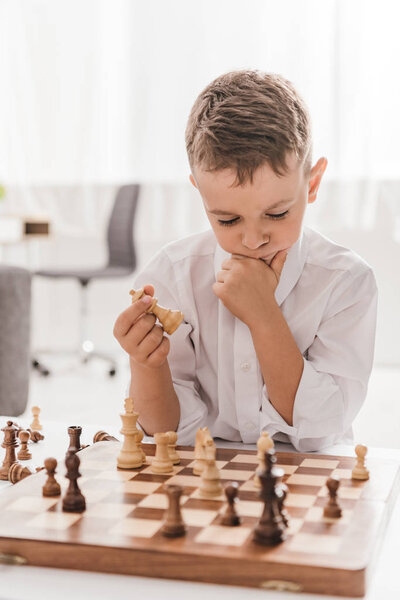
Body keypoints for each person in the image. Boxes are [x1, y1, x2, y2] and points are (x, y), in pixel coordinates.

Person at [113, 70, 377, 452]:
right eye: (228, 220)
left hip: (305, 484)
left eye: (277, 214)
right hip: (201, 483)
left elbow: (320, 428)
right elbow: (165, 434)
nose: (254, 240)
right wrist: (146, 364)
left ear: (312, 184)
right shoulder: (172, 275)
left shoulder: (346, 282)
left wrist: (263, 315)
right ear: (199, 193)